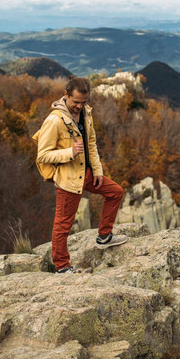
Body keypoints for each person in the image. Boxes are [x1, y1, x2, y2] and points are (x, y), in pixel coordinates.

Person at [36, 76, 127, 274]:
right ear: (66, 95)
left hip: (86, 172)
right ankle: (61, 266)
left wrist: (97, 171)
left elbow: (91, 144)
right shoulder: (54, 121)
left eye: (83, 102)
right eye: (75, 101)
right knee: (63, 225)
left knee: (116, 192)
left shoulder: (86, 113)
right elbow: (42, 155)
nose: (79, 106)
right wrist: (70, 152)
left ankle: (104, 236)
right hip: (68, 178)